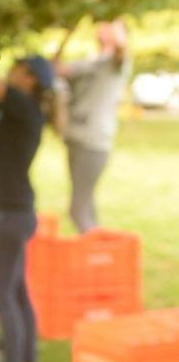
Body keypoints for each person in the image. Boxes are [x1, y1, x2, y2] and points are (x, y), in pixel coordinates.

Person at [0, 56, 55, 362]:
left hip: (10, 213)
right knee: (18, 290)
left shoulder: (23, 105)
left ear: (29, 79)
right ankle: (27, 360)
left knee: (1, 293)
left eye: (17, 70)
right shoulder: (28, 110)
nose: (10, 74)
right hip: (18, 210)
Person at [54, 21, 131, 233]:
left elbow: (121, 51)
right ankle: (99, 256)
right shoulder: (91, 61)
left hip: (93, 143)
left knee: (77, 210)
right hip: (76, 139)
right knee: (86, 206)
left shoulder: (117, 63)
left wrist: (116, 30)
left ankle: (96, 253)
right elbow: (59, 70)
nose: (104, 30)